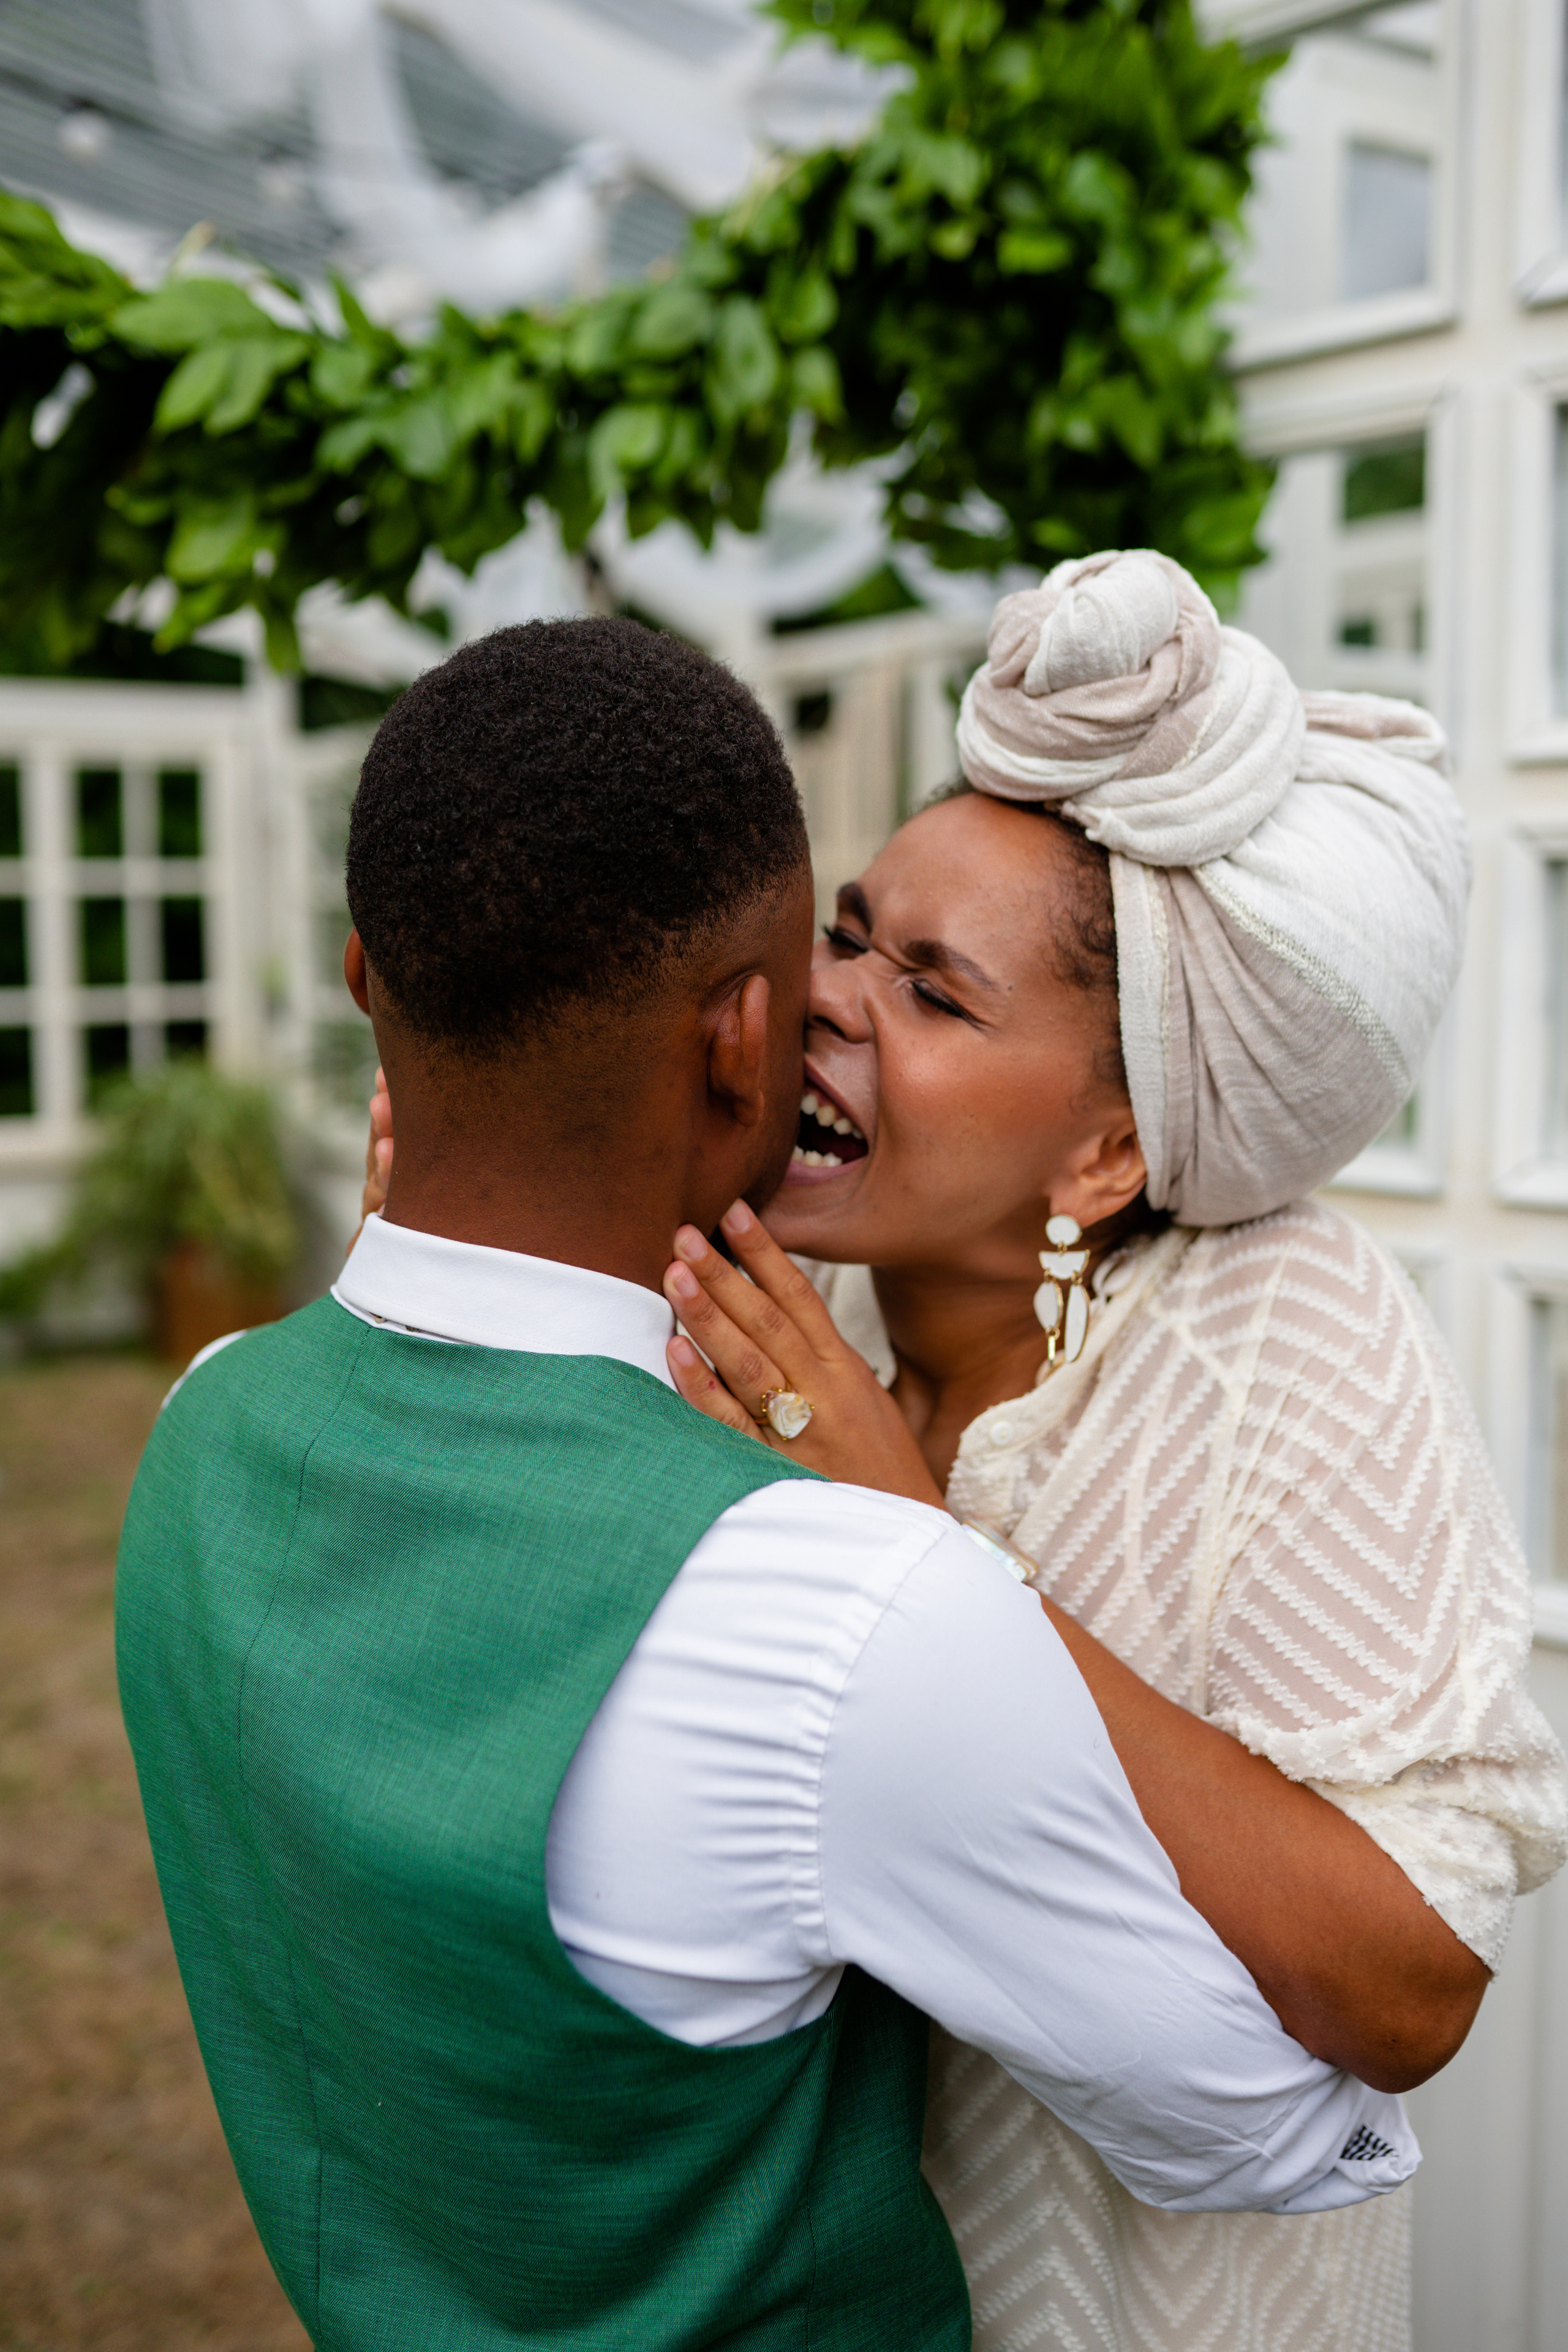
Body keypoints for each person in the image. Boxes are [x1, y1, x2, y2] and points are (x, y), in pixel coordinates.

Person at [116, 616, 1419, 2352]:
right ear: (746, 1037)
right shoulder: (838, 1604)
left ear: (369, 975)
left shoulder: (201, 1426)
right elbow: (1274, 2128)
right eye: (834, 955)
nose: (843, 1014)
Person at [601, 552, 1568, 2352]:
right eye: (850, 932)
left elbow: (1413, 1984)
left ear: (1107, 1155)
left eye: (936, 993)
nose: (830, 999)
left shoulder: (1285, 1332)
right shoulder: (823, 1321)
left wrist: (927, 1548)